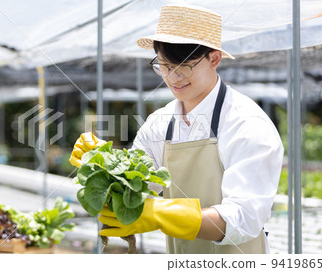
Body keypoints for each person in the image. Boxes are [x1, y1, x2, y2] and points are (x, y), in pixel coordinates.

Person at [70, 4, 283, 254]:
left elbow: (244, 218)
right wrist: (103, 167)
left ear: (214, 58)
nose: (173, 78)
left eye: (184, 66)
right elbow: (137, 188)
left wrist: (162, 214)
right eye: (164, 66)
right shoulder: (160, 123)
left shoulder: (245, 122)